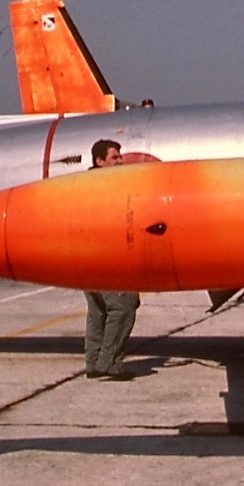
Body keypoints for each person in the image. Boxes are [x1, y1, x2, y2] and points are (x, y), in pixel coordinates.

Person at [84, 139, 139, 380]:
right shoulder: (104, 188)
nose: (120, 161)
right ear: (100, 161)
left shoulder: (85, 185)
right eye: (115, 157)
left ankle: (94, 362)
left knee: (98, 311)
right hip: (105, 257)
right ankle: (110, 362)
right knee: (124, 305)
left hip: (86, 258)